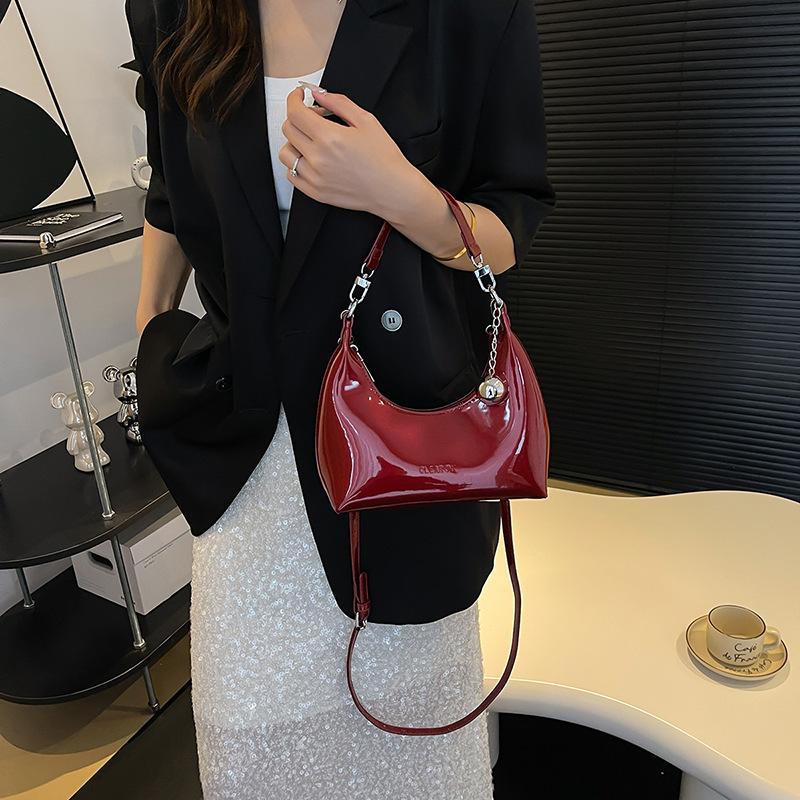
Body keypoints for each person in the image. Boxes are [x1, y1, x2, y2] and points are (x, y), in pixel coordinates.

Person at [125, 0, 555, 796]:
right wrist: (150, 326)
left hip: (401, 456)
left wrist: (403, 195)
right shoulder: (170, 10)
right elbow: (168, 194)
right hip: (247, 467)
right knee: (252, 755)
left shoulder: (473, 13)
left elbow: (513, 217)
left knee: (414, 761)